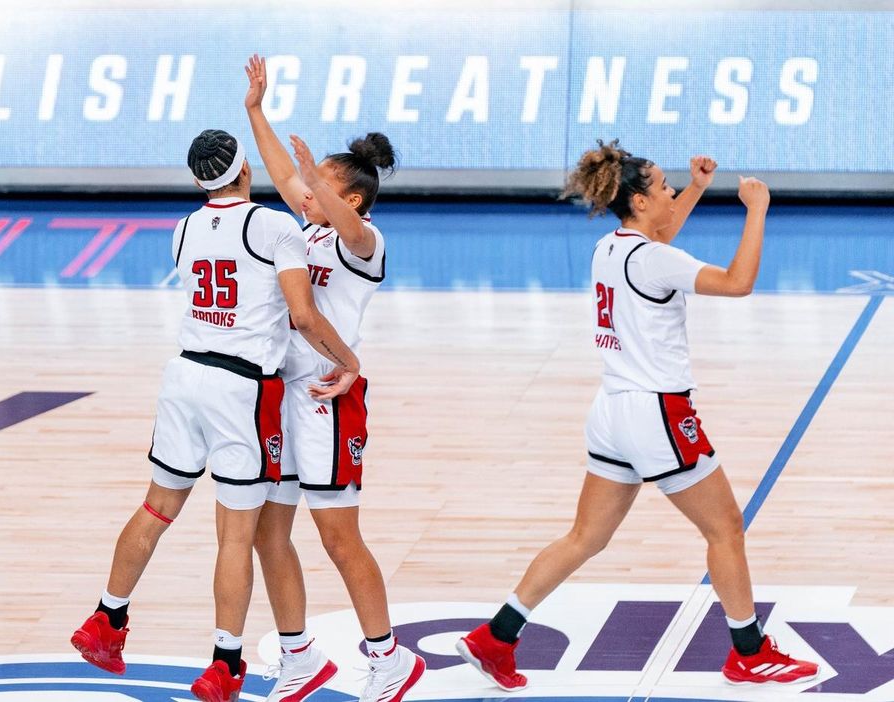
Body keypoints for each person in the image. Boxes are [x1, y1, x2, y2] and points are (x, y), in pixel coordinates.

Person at [456, 140, 819, 690]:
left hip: (612, 413)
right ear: (641, 202)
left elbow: (660, 242)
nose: (673, 192)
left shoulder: (610, 247)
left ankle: (497, 635)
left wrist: (697, 188)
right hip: (658, 413)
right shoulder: (654, 257)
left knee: (585, 537)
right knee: (725, 528)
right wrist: (757, 210)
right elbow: (738, 283)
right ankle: (749, 653)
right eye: (666, 187)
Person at [71, 128, 362, 702]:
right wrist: (347, 361)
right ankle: (225, 662)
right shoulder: (274, 227)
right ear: (244, 170)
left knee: (156, 506)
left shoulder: (182, 228)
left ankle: (107, 617)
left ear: (199, 179)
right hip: (241, 388)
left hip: (184, 376)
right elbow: (303, 316)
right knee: (236, 534)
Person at [243, 55, 425, 702]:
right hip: (283, 393)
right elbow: (283, 175)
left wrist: (317, 182)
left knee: (339, 538)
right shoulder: (311, 233)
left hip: (327, 397)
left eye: (320, 184)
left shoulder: (363, 241)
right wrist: (256, 111)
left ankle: (389, 658)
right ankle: (300, 655)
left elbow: (345, 222)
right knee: (268, 532)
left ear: (350, 200)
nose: (304, 191)